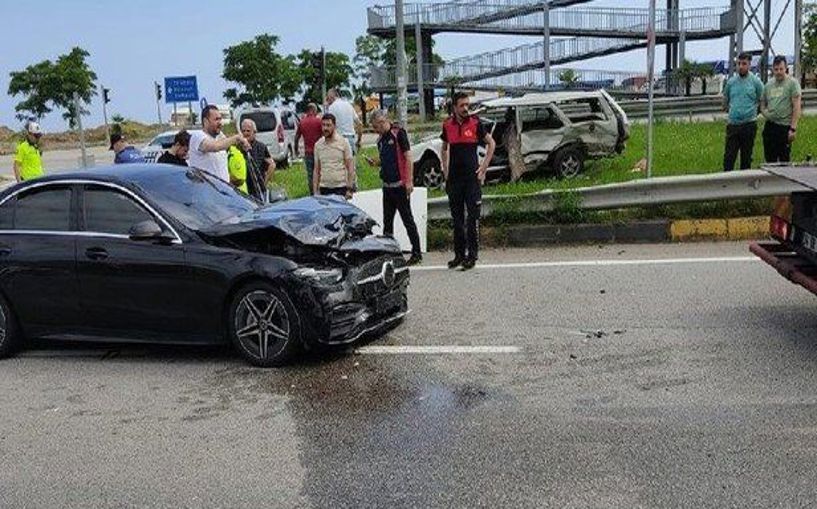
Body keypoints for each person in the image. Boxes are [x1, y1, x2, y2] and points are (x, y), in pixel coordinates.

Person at [441, 91, 495, 271]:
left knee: (472, 219)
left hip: (471, 179)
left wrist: (484, 167)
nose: (466, 108)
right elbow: (444, 148)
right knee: (457, 220)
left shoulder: (476, 123)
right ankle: (459, 254)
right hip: (454, 180)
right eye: (462, 105)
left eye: (467, 105)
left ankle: (472, 255)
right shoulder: (447, 125)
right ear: (454, 107)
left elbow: (491, 144)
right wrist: (445, 171)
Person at [366, 110, 422, 265]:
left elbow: (408, 157)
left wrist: (409, 181)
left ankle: (416, 252)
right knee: (387, 222)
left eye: (376, 126)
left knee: (407, 219)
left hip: (400, 185)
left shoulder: (398, 134)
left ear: (383, 121)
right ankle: (388, 253)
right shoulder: (380, 140)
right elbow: (386, 158)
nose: (375, 130)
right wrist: (375, 162)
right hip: (387, 186)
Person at [722, 52, 764, 171]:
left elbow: (762, 99)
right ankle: (726, 184)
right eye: (739, 63)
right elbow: (725, 101)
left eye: (744, 64)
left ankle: (744, 186)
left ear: (749, 65)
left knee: (746, 158)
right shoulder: (731, 82)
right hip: (733, 125)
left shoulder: (755, 82)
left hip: (749, 125)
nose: (741, 66)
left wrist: (756, 112)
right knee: (729, 158)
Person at [188, 104, 250, 183]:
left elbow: (226, 143)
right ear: (205, 121)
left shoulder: (219, 136)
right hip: (205, 192)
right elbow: (215, 147)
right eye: (216, 119)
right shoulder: (198, 136)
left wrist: (241, 144)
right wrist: (236, 138)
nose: (220, 123)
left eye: (220, 119)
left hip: (222, 191)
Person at [761, 56, 802, 163]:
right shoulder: (768, 85)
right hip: (770, 127)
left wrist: (793, 129)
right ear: (772, 69)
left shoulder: (792, 83)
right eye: (776, 69)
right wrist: (765, 113)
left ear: (786, 68)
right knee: (770, 160)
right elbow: (762, 103)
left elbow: (796, 107)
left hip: (784, 127)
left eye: (781, 69)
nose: (778, 72)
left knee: (784, 161)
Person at [313, 114, 355, 198]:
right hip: (324, 188)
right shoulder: (318, 145)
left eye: (328, 125)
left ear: (334, 126)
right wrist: (315, 191)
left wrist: (350, 189)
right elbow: (316, 170)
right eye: (323, 125)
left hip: (340, 188)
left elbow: (350, 167)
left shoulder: (343, 142)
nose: (325, 128)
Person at [240, 118, 275, 199]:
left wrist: (264, 182)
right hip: (243, 190)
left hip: (258, 190)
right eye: (243, 131)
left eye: (248, 131)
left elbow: (272, 165)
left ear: (254, 132)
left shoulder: (261, 147)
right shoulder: (237, 147)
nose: (245, 133)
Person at [294, 103, 323, 195]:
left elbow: (297, 137)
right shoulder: (319, 121)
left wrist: (296, 149)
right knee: (320, 173)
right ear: (314, 110)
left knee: (310, 175)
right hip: (319, 152)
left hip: (308, 153)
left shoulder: (302, 122)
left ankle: (313, 193)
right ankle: (321, 192)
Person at [326, 88, 362, 155]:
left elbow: (328, 126)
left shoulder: (331, 108)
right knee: (351, 164)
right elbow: (359, 124)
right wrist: (359, 140)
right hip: (350, 138)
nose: (327, 99)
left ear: (332, 96)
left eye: (328, 97)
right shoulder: (349, 105)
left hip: (338, 139)